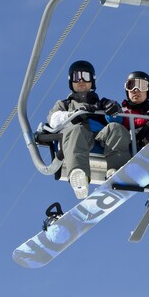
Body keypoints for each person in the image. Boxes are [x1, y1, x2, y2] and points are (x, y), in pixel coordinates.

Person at [47, 60, 131, 199]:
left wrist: (113, 112)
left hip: (101, 141)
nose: (81, 80)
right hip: (78, 142)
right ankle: (79, 175)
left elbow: (118, 123)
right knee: (76, 130)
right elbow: (53, 120)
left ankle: (115, 171)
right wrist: (74, 115)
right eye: (76, 77)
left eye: (85, 76)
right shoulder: (65, 104)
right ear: (71, 82)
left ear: (92, 80)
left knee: (116, 128)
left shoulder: (102, 103)